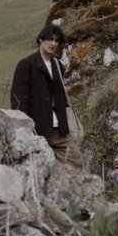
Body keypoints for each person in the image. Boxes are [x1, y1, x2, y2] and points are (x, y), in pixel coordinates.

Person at [11, 24, 83, 172]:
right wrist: (25, 128)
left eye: (56, 41)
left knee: (76, 160)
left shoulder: (58, 65)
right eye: (50, 39)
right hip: (37, 129)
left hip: (59, 130)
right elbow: (19, 100)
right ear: (40, 40)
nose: (53, 44)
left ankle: (70, 186)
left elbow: (61, 96)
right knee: (39, 169)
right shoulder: (26, 65)